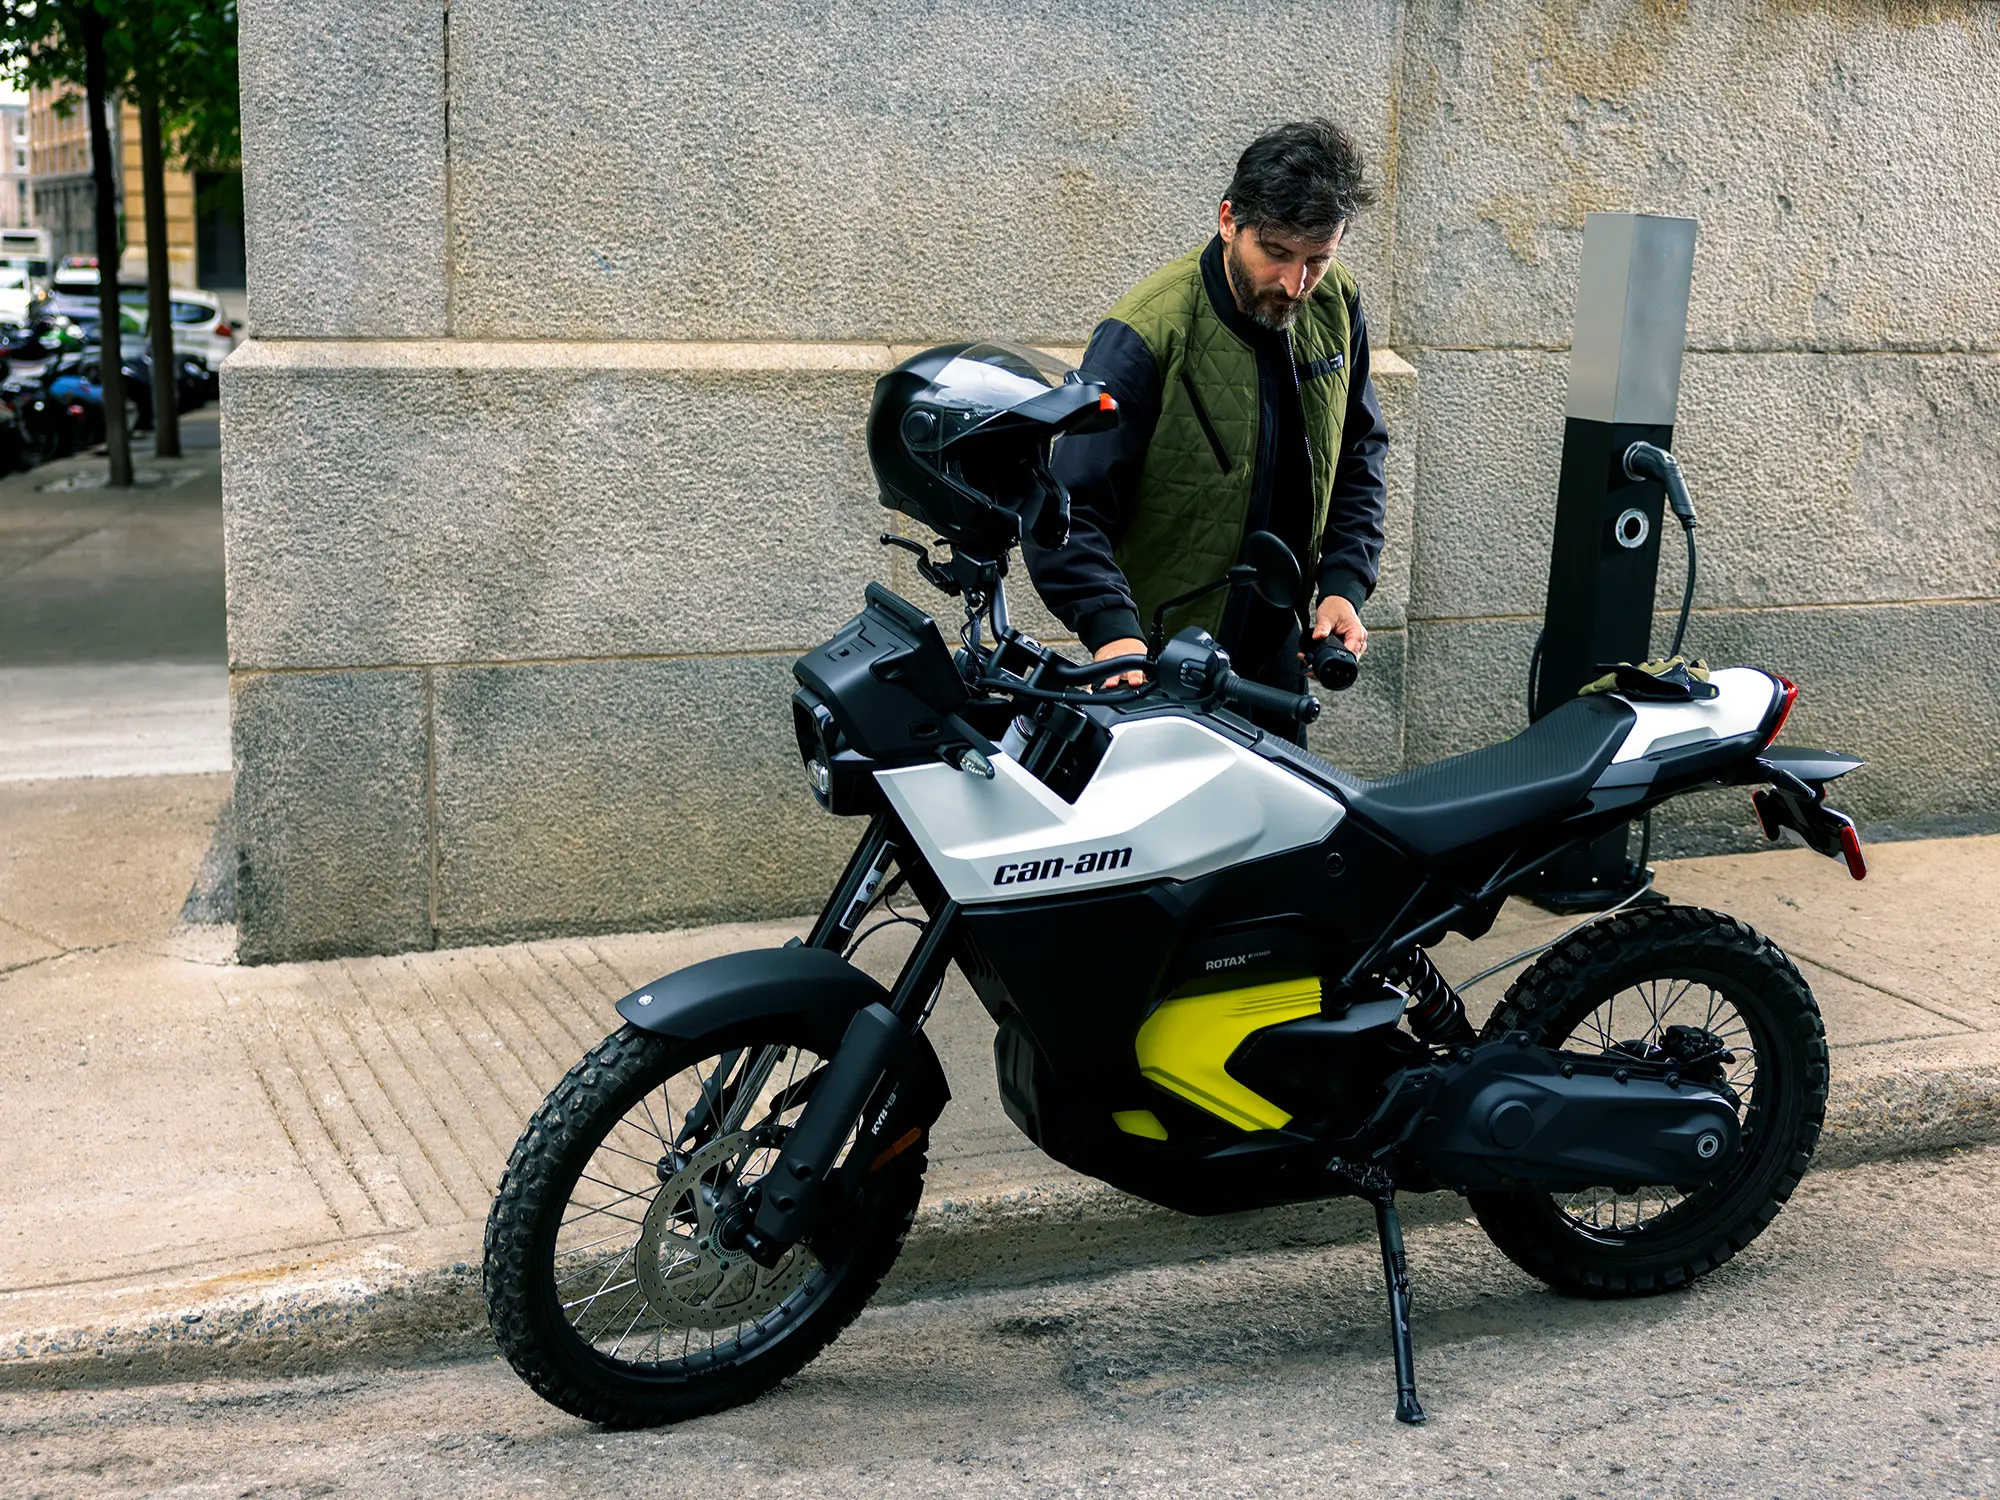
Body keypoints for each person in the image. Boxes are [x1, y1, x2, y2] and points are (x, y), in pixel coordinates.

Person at [1023, 118, 1387, 743]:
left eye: (1317, 261)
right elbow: (1065, 508)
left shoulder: (1335, 303)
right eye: (1277, 254)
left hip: (1278, 662)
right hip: (1164, 665)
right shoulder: (1144, 333)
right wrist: (1114, 632)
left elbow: (1358, 449)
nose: (1295, 284)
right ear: (1228, 221)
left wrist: (1344, 586)